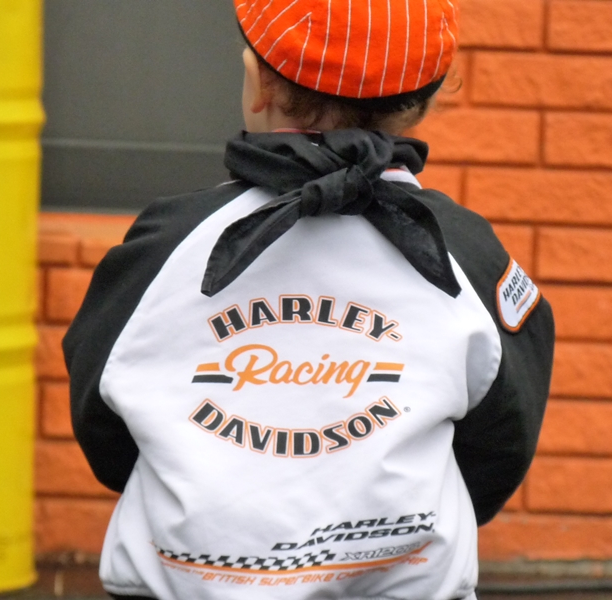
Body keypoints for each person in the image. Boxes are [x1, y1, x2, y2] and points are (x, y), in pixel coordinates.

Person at [63, 1, 555, 599]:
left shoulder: (164, 246)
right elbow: (502, 438)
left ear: (258, 82)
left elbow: (103, 420)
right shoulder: (469, 258)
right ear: (423, 104)